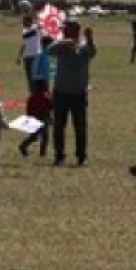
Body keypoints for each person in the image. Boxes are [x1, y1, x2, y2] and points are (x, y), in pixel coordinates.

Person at [49, 21, 96, 167]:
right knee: (58, 126)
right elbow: (50, 50)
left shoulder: (83, 47)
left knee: (80, 126)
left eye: (66, 30)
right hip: (60, 92)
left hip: (78, 93)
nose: (63, 32)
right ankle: (59, 156)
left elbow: (93, 51)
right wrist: (64, 42)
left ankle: (81, 156)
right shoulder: (61, 46)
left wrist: (89, 39)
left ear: (74, 31)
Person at [18, 77, 52, 158]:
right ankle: (42, 153)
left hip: (33, 119)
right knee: (45, 137)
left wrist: (29, 118)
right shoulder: (46, 98)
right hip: (43, 119)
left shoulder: (31, 98)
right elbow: (50, 107)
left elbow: (28, 110)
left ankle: (23, 146)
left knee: (34, 137)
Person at [18, 14, 43, 87]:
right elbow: (24, 44)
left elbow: (40, 26)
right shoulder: (24, 31)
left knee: (34, 77)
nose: (23, 23)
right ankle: (32, 94)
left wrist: (38, 24)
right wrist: (19, 56)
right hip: (26, 57)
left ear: (29, 22)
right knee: (29, 78)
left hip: (35, 56)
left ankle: (36, 93)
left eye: (24, 21)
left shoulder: (36, 28)